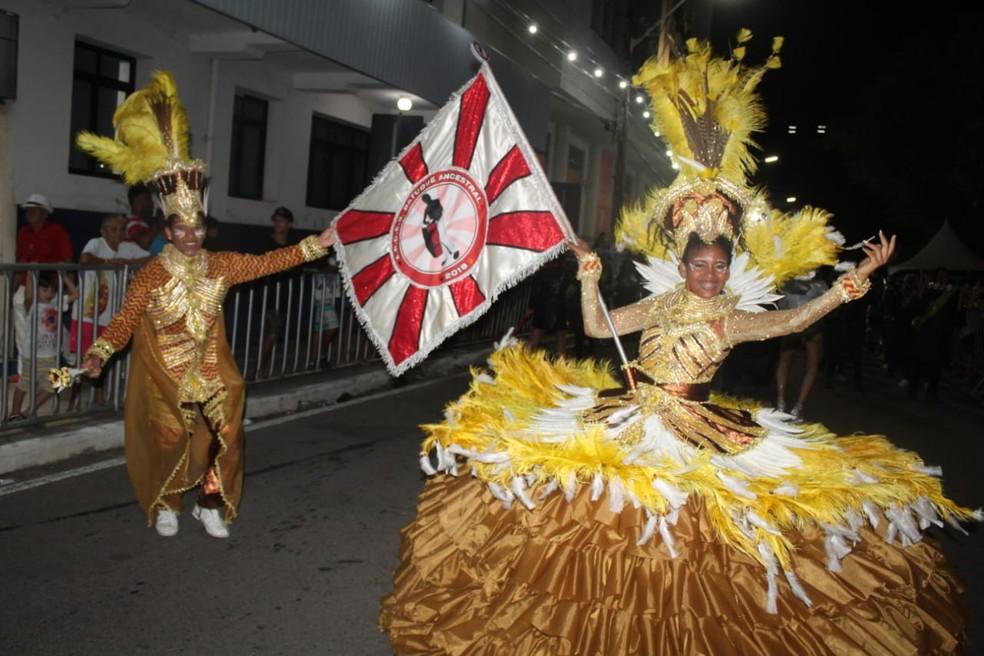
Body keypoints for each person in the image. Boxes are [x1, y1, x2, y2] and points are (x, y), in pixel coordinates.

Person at [379, 37, 977, 654]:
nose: (710, 274)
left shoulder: (734, 316)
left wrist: (852, 286)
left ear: (727, 268)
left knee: (685, 530)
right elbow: (595, 329)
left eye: (719, 265)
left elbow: (791, 326)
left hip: (697, 426)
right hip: (628, 412)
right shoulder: (661, 303)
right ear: (685, 264)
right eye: (701, 265)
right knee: (596, 518)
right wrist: (587, 281)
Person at [76, 71, 336, 539]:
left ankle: (210, 501)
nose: (191, 237)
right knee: (172, 439)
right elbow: (126, 319)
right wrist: (99, 352)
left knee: (222, 435)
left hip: (213, 370)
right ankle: (169, 501)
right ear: (168, 229)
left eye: (198, 229)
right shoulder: (152, 274)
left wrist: (316, 244)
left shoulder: (222, 265)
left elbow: (267, 263)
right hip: (166, 375)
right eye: (181, 229)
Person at [69, 214, 150, 407]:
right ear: (103, 231)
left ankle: (99, 396)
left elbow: (151, 258)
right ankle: (69, 401)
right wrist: (108, 262)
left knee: (101, 359)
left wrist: (127, 263)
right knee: (80, 359)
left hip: (109, 316)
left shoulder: (127, 248)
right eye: (114, 229)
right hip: (87, 316)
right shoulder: (96, 243)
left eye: (122, 229)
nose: (118, 233)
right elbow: (85, 258)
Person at [8, 272, 77, 420]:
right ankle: (14, 414)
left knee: (60, 382)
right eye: (44, 290)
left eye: (52, 290)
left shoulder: (56, 301)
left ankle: (26, 412)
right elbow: (28, 295)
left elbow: (75, 294)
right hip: (32, 356)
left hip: (50, 356)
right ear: (36, 290)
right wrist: (32, 274)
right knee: (23, 385)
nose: (49, 294)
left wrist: (63, 275)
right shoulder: (32, 304)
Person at [774, 273, 830, 417]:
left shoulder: (787, 282)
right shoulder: (820, 285)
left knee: (785, 359)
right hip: (813, 327)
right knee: (812, 364)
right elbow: (827, 308)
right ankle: (798, 406)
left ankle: (781, 400)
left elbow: (781, 305)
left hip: (792, 325)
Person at [15, 194, 74, 269]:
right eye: (27, 210)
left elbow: (69, 260)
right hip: (27, 277)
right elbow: (19, 260)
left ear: (45, 213)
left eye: (33, 210)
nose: (29, 213)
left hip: (49, 277)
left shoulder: (57, 231)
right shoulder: (23, 233)